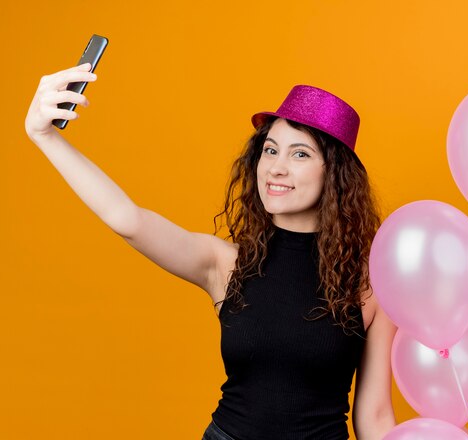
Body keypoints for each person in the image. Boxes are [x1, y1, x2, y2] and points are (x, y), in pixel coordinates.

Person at [25, 62, 397, 440]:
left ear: (334, 173)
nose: (276, 169)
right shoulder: (226, 263)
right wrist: (45, 137)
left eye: (299, 154)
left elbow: (376, 417)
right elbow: (128, 219)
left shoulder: (371, 283)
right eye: (270, 150)